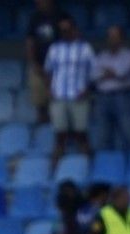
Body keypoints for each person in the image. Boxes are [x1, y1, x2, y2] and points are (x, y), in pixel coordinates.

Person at [43, 16, 94, 162]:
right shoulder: (54, 49)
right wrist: (49, 89)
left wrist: (87, 90)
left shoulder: (85, 48)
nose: (64, 33)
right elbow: (48, 70)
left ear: (74, 30)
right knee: (59, 134)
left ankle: (87, 164)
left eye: (67, 29)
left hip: (79, 96)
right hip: (58, 96)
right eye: (61, 30)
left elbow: (93, 72)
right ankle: (57, 168)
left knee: (81, 133)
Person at [92, 24, 130, 153]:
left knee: (128, 133)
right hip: (103, 97)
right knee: (103, 135)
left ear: (121, 39)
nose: (112, 40)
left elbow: (122, 73)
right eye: (110, 37)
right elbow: (93, 76)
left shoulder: (129, 55)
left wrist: (106, 72)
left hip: (122, 96)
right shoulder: (101, 56)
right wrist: (111, 73)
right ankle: (106, 167)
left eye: (115, 37)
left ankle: (129, 167)